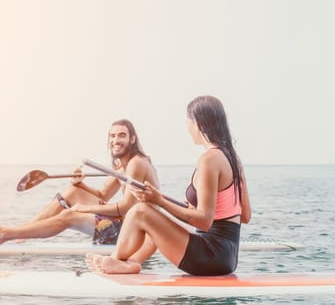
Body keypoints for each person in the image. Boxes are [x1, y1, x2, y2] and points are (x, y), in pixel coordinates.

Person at [88, 95, 251, 275]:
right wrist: (168, 203)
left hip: (211, 256)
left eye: (189, 122)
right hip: (227, 256)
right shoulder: (234, 159)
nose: (188, 128)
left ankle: (115, 260)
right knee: (151, 223)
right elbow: (244, 216)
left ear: (199, 123)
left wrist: (159, 201)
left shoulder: (209, 159)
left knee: (140, 211)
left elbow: (204, 221)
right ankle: (130, 262)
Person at [0, 119, 160, 247]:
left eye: (121, 136)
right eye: (112, 136)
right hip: (126, 222)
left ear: (133, 139)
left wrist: (82, 208)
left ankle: (4, 234)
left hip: (136, 233)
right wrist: (79, 184)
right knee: (72, 192)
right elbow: (103, 195)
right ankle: (22, 234)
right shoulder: (122, 165)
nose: (115, 141)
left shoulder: (137, 163)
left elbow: (125, 207)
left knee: (69, 216)